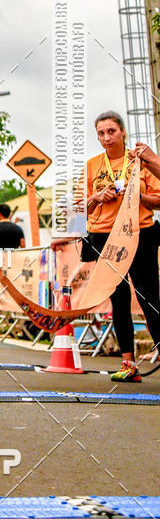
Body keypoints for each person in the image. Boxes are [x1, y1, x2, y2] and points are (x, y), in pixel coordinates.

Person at [83, 112, 160, 382]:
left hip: (140, 232)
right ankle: (128, 363)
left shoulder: (140, 159)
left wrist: (137, 196)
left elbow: (158, 200)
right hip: (106, 236)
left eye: (111, 131)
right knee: (118, 299)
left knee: (149, 296)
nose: (106, 138)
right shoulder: (93, 165)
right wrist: (96, 195)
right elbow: (80, 206)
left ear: (123, 132)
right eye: (101, 133)